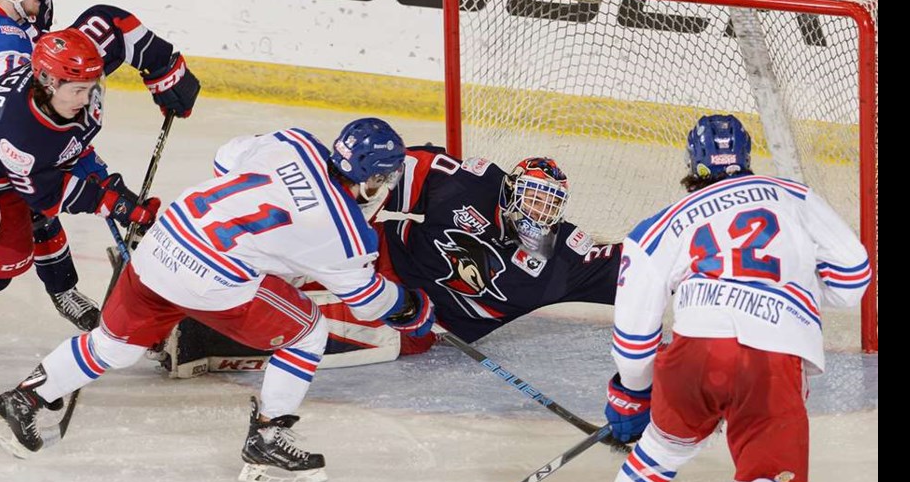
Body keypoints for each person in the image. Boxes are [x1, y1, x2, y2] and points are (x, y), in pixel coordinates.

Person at [0, 118, 436, 482]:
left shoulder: (294, 142)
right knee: (307, 331)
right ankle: (269, 434)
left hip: (162, 243)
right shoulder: (344, 232)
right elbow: (368, 300)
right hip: (212, 282)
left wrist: (266, 235)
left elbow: (225, 160)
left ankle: (23, 399)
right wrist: (414, 310)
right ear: (375, 177)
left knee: (114, 346)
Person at [565, 115, 871, 482]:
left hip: (696, 353)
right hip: (774, 357)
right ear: (747, 158)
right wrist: (800, 292)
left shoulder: (658, 225)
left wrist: (632, 393)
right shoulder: (793, 195)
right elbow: (854, 277)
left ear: (693, 163)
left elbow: (634, 338)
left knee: (660, 452)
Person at [158, 144, 622, 375]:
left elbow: (633, 270)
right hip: (378, 253)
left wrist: (692, 266)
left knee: (325, 330)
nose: (539, 213)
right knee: (300, 253)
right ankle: (190, 266)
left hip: (416, 322)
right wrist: (344, 227)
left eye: (550, 205)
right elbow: (385, 172)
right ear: (508, 192)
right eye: (533, 199)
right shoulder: (465, 185)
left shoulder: (564, 259)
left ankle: (202, 342)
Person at [0, 0, 201, 331]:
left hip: (21, 139)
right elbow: (39, 161)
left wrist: (165, 68)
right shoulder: (2, 61)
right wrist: (104, 194)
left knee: (36, 202)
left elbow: (109, 24)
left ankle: (62, 288)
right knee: (9, 255)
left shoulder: (27, 9)